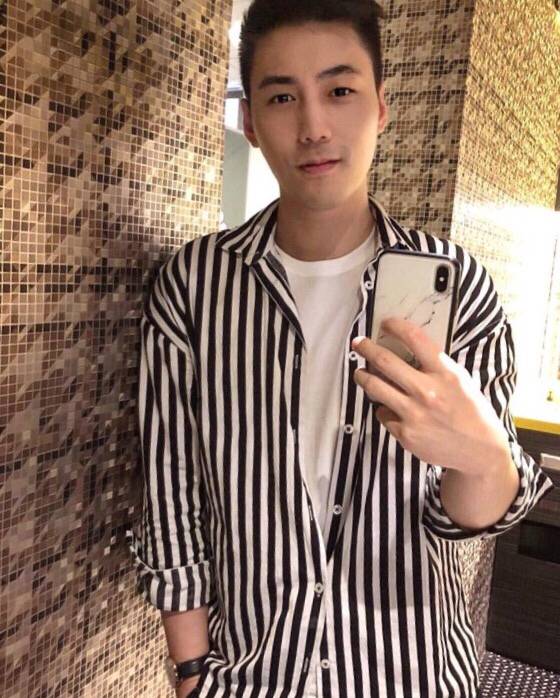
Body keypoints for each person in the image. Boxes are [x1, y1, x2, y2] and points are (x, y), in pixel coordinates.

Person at [125, 1, 555, 696]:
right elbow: (171, 491)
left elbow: (470, 519)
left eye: (340, 90)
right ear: (249, 122)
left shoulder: (462, 288)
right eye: (282, 97)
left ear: (381, 106)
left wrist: (480, 454)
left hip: (409, 672)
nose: (314, 126)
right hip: (251, 675)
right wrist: (192, 671)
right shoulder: (194, 285)